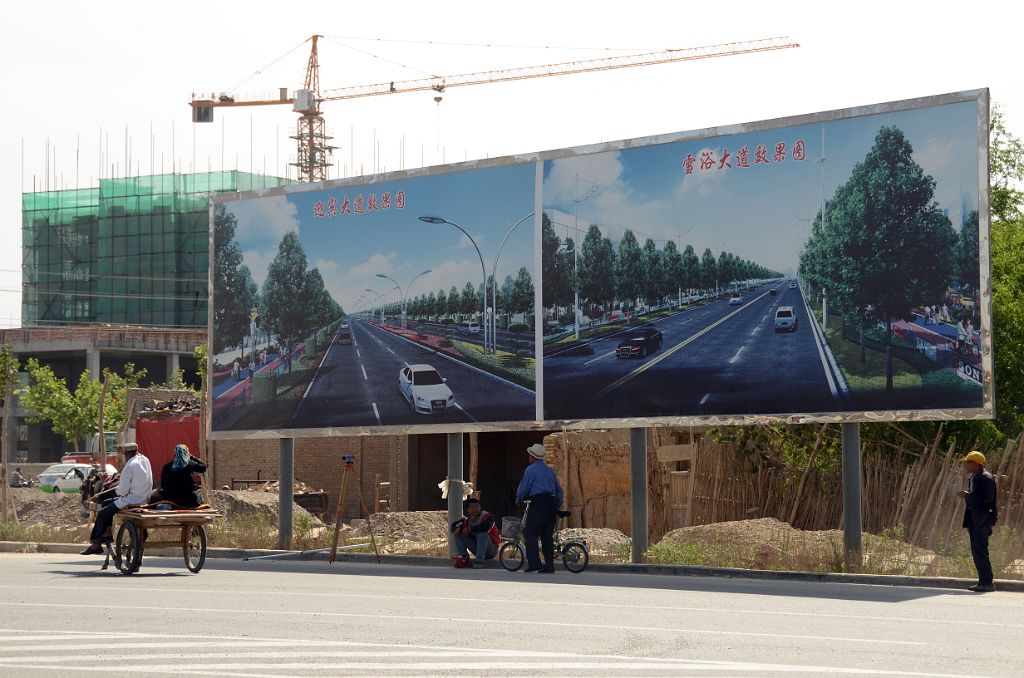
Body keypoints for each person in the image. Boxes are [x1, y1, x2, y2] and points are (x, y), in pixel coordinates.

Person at [81, 442, 153, 556]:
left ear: (126, 454)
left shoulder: (129, 466)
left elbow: (122, 491)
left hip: (131, 500)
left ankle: (96, 544)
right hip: (145, 499)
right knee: (105, 503)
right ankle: (107, 533)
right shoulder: (145, 460)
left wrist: (109, 492)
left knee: (103, 513)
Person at [515, 443, 564, 574]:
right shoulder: (550, 471)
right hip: (551, 503)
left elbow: (524, 486)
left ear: (532, 457)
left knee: (529, 532)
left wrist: (519, 499)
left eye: (529, 455)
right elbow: (559, 491)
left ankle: (535, 564)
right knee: (546, 535)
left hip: (539, 503)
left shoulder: (530, 470)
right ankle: (549, 566)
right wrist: (557, 504)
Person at [959, 451, 998, 592]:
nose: (966, 465)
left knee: (981, 550)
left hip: (982, 519)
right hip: (976, 519)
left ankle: (987, 583)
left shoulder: (985, 478)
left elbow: (987, 498)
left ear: (976, 464)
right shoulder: (975, 477)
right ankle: (983, 581)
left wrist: (967, 496)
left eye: (968, 462)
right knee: (976, 551)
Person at [450, 498, 500, 567]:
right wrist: (457, 529)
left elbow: (486, 527)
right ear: (468, 509)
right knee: (458, 535)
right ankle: (464, 559)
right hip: (477, 548)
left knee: (482, 533)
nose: (475, 509)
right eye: (472, 507)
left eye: (477, 507)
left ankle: (479, 561)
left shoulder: (487, 517)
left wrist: (470, 529)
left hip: (491, 550)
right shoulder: (467, 520)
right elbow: (453, 526)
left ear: (480, 508)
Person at [157, 444, 208, 508]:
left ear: (174, 454)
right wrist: (192, 457)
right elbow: (203, 467)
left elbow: (163, 485)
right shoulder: (190, 464)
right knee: (198, 496)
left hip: (170, 498)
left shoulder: (167, 466)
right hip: (187, 499)